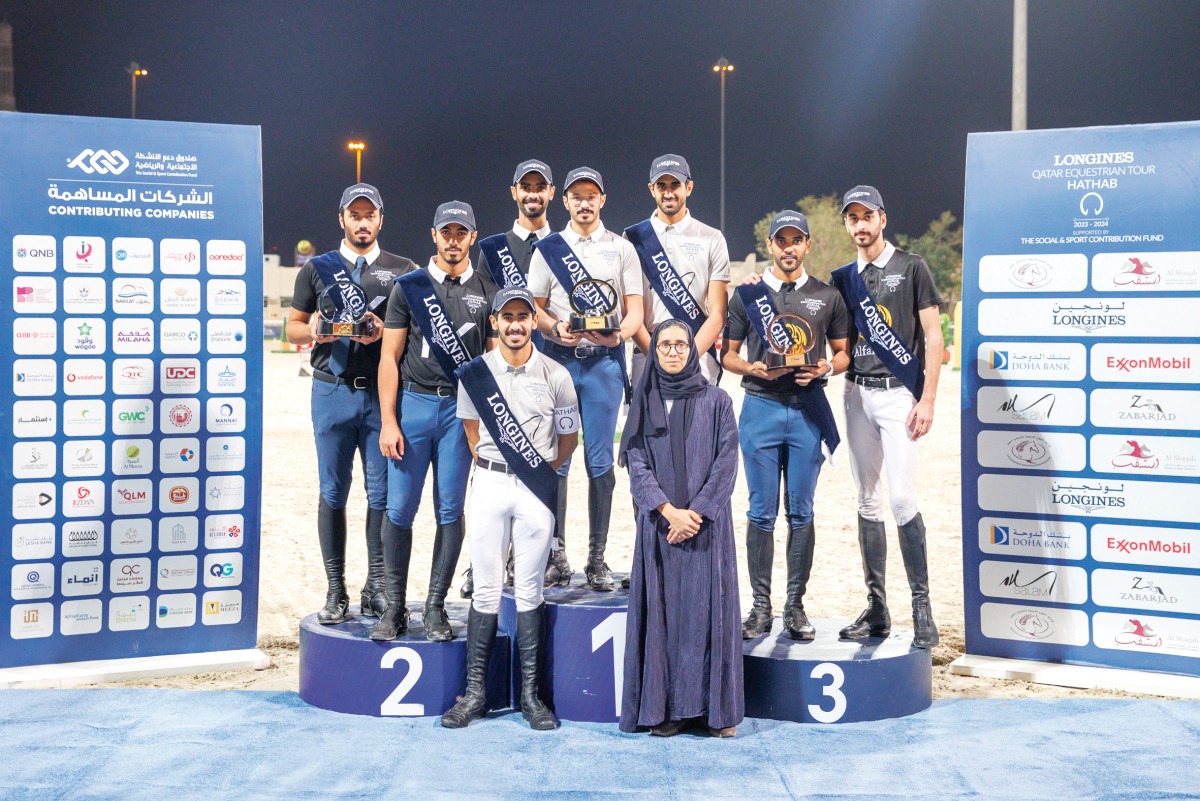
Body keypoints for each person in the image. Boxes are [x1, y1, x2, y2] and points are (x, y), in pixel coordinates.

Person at [441, 287, 580, 730]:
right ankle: (475, 695)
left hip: (536, 489)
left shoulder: (558, 374)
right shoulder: (475, 374)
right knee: (485, 590)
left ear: (534, 320)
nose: (516, 325)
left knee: (530, 590)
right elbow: (471, 432)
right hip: (489, 483)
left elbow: (569, 439)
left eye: (523, 316)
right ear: (495, 322)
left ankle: (530, 697)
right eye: (508, 317)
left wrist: (539, 472)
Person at [286, 183, 415, 625]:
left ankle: (375, 587)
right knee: (333, 492)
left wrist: (385, 331)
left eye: (369, 215)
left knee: (380, 494)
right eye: (354, 215)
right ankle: (336, 589)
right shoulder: (317, 268)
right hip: (331, 391)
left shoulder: (403, 269)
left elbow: (413, 334)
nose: (362, 223)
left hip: (381, 396)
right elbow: (293, 327)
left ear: (380, 219)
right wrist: (315, 329)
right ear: (342, 218)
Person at [370, 201, 497, 642]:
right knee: (400, 509)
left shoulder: (488, 290)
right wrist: (389, 420)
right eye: (447, 232)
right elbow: (389, 358)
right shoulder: (409, 287)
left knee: (450, 510)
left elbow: (493, 364)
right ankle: (395, 608)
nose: (453, 240)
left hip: (460, 415)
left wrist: (485, 426)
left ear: (473, 237)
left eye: (461, 232)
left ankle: (436, 606)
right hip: (414, 408)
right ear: (434, 235)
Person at [723, 211, 849, 641]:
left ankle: (795, 607)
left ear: (807, 245)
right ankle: (760, 607)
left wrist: (827, 368)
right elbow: (728, 355)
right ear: (770, 245)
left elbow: (843, 353)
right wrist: (750, 368)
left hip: (806, 412)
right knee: (760, 511)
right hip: (760, 408)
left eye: (796, 240)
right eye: (782, 241)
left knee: (801, 511)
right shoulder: (748, 294)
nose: (789, 248)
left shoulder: (828, 296)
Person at [830, 185, 943, 649]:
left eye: (867, 216)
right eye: (852, 217)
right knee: (867, 501)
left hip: (899, 396)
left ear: (882, 218)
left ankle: (922, 607)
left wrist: (928, 398)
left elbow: (933, 335)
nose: (860, 224)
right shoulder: (842, 279)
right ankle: (877, 608)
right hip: (856, 394)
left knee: (901, 498)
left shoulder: (912, 266)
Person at [618, 320, 742, 738]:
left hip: (707, 530)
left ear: (693, 350)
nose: (673, 352)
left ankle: (712, 712)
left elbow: (727, 462)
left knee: (707, 616)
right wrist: (669, 511)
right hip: (661, 529)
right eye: (665, 345)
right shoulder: (643, 400)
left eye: (680, 345)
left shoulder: (718, 400)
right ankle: (666, 709)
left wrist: (697, 514)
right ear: (654, 351)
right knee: (665, 618)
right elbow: (636, 464)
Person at [528, 166, 643, 592]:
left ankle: (597, 558)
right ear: (565, 201)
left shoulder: (621, 249)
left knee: (599, 462)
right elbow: (535, 308)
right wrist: (553, 327)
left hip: (603, 366)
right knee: (557, 460)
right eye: (576, 196)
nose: (584, 202)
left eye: (591, 195)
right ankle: (556, 555)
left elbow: (635, 310)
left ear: (602, 200)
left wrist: (621, 334)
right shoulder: (548, 249)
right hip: (559, 365)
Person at [461, 159, 556, 600]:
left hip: (551, 369)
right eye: (526, 186)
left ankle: (550, 551)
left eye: (540, 187)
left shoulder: (563, 245)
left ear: (551, 193)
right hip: (503, 370)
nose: (533, 193)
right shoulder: (492, 249)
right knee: (489, 460)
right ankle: (481, 561)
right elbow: (484, 311)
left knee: (551, 461)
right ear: (514, 192)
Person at [626, 154, 730, 386]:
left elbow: (718, 313)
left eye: (675, 185)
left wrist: (689, 356)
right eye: (661, 186)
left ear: (688, 187)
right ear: (652, 189)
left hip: (698, 354)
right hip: (647, 352)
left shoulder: (712, 238)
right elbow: (630, 308)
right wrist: (656, 355)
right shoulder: (632, 238)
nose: (668, 192)